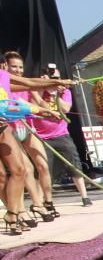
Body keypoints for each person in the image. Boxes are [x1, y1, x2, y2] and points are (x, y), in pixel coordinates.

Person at [0, 57, 73, 234]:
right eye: (12, 66)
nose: (14, 69)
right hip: (11, 127)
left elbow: (28, 84)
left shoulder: (3, 77)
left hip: (4, 128)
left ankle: (14, 213)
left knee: (20, 170)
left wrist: (56, 84)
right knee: (2, 176)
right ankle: (17, 212)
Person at [29, 65, 91, 210]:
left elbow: (66, 109)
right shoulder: (35, 91)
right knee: (43, 169)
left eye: (57, 78)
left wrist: (53, 94)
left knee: (74, 164)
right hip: (42, 137)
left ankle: (84, 196)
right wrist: (43, 91)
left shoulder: (64, 92)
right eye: (52, 78)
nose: (55, 80)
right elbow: (34, 106)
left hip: (62, 134)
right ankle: (40, 201)